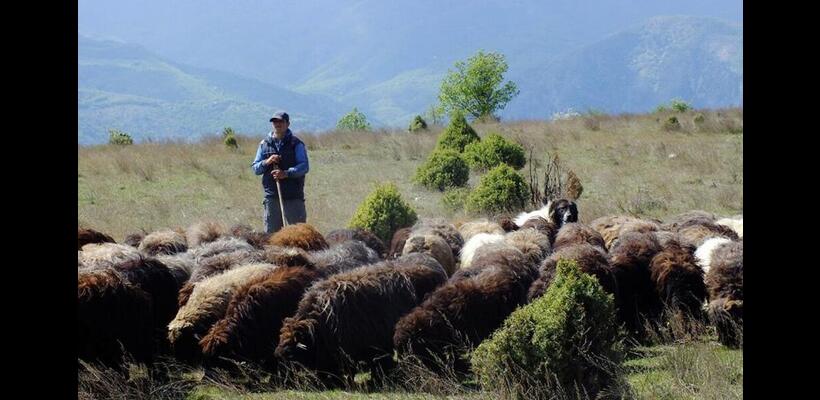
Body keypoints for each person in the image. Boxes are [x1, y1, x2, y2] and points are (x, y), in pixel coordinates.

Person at [251, 111, 310, 233]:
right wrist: (267, 161)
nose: (277, 124)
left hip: (293, 197)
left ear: (288, 124)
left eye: (281, 121)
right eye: (275, 122)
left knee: (297, 235)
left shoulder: (296, 144)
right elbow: (256, 169)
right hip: (272, 197)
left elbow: (304, 166)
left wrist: (286, 173)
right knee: (272, 236)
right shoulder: (264, 144)